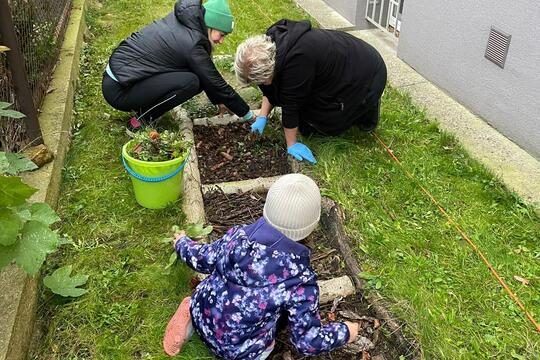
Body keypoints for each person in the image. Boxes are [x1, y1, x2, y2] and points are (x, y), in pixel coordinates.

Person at [163, 174, 360, 359]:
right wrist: (345, 332)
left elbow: (203, 258)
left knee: (208, 301)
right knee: (265, 344)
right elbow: (307, 341)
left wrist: (182, 243)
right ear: (312, 225)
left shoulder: (238, 236)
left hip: (203, 309)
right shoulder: (299, 280)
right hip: (238, 350)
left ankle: (192, 318)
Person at [234, 19, 388, 164]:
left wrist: (291, 144)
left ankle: (367, 106)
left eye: (259, 81)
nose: (260, 85)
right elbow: (270, 88)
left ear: (267, 72)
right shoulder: (270, 47)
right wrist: (263, 116)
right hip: (341, 64)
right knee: (306, 121)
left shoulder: (297, 61)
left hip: (366, 74)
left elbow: (291, 106)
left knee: (321, 127)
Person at [102, 0, 255, 131]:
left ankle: (144, 108)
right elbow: (216, 83)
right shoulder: (192, 44)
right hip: (119, 90)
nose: (221, 41)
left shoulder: (186, 22)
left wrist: (219, 100)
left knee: (197, 76)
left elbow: (206, 75)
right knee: (191, 82)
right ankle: (139, 121)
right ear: (209, 26)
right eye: (221, 35)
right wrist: (248, 114)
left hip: (124, 77)